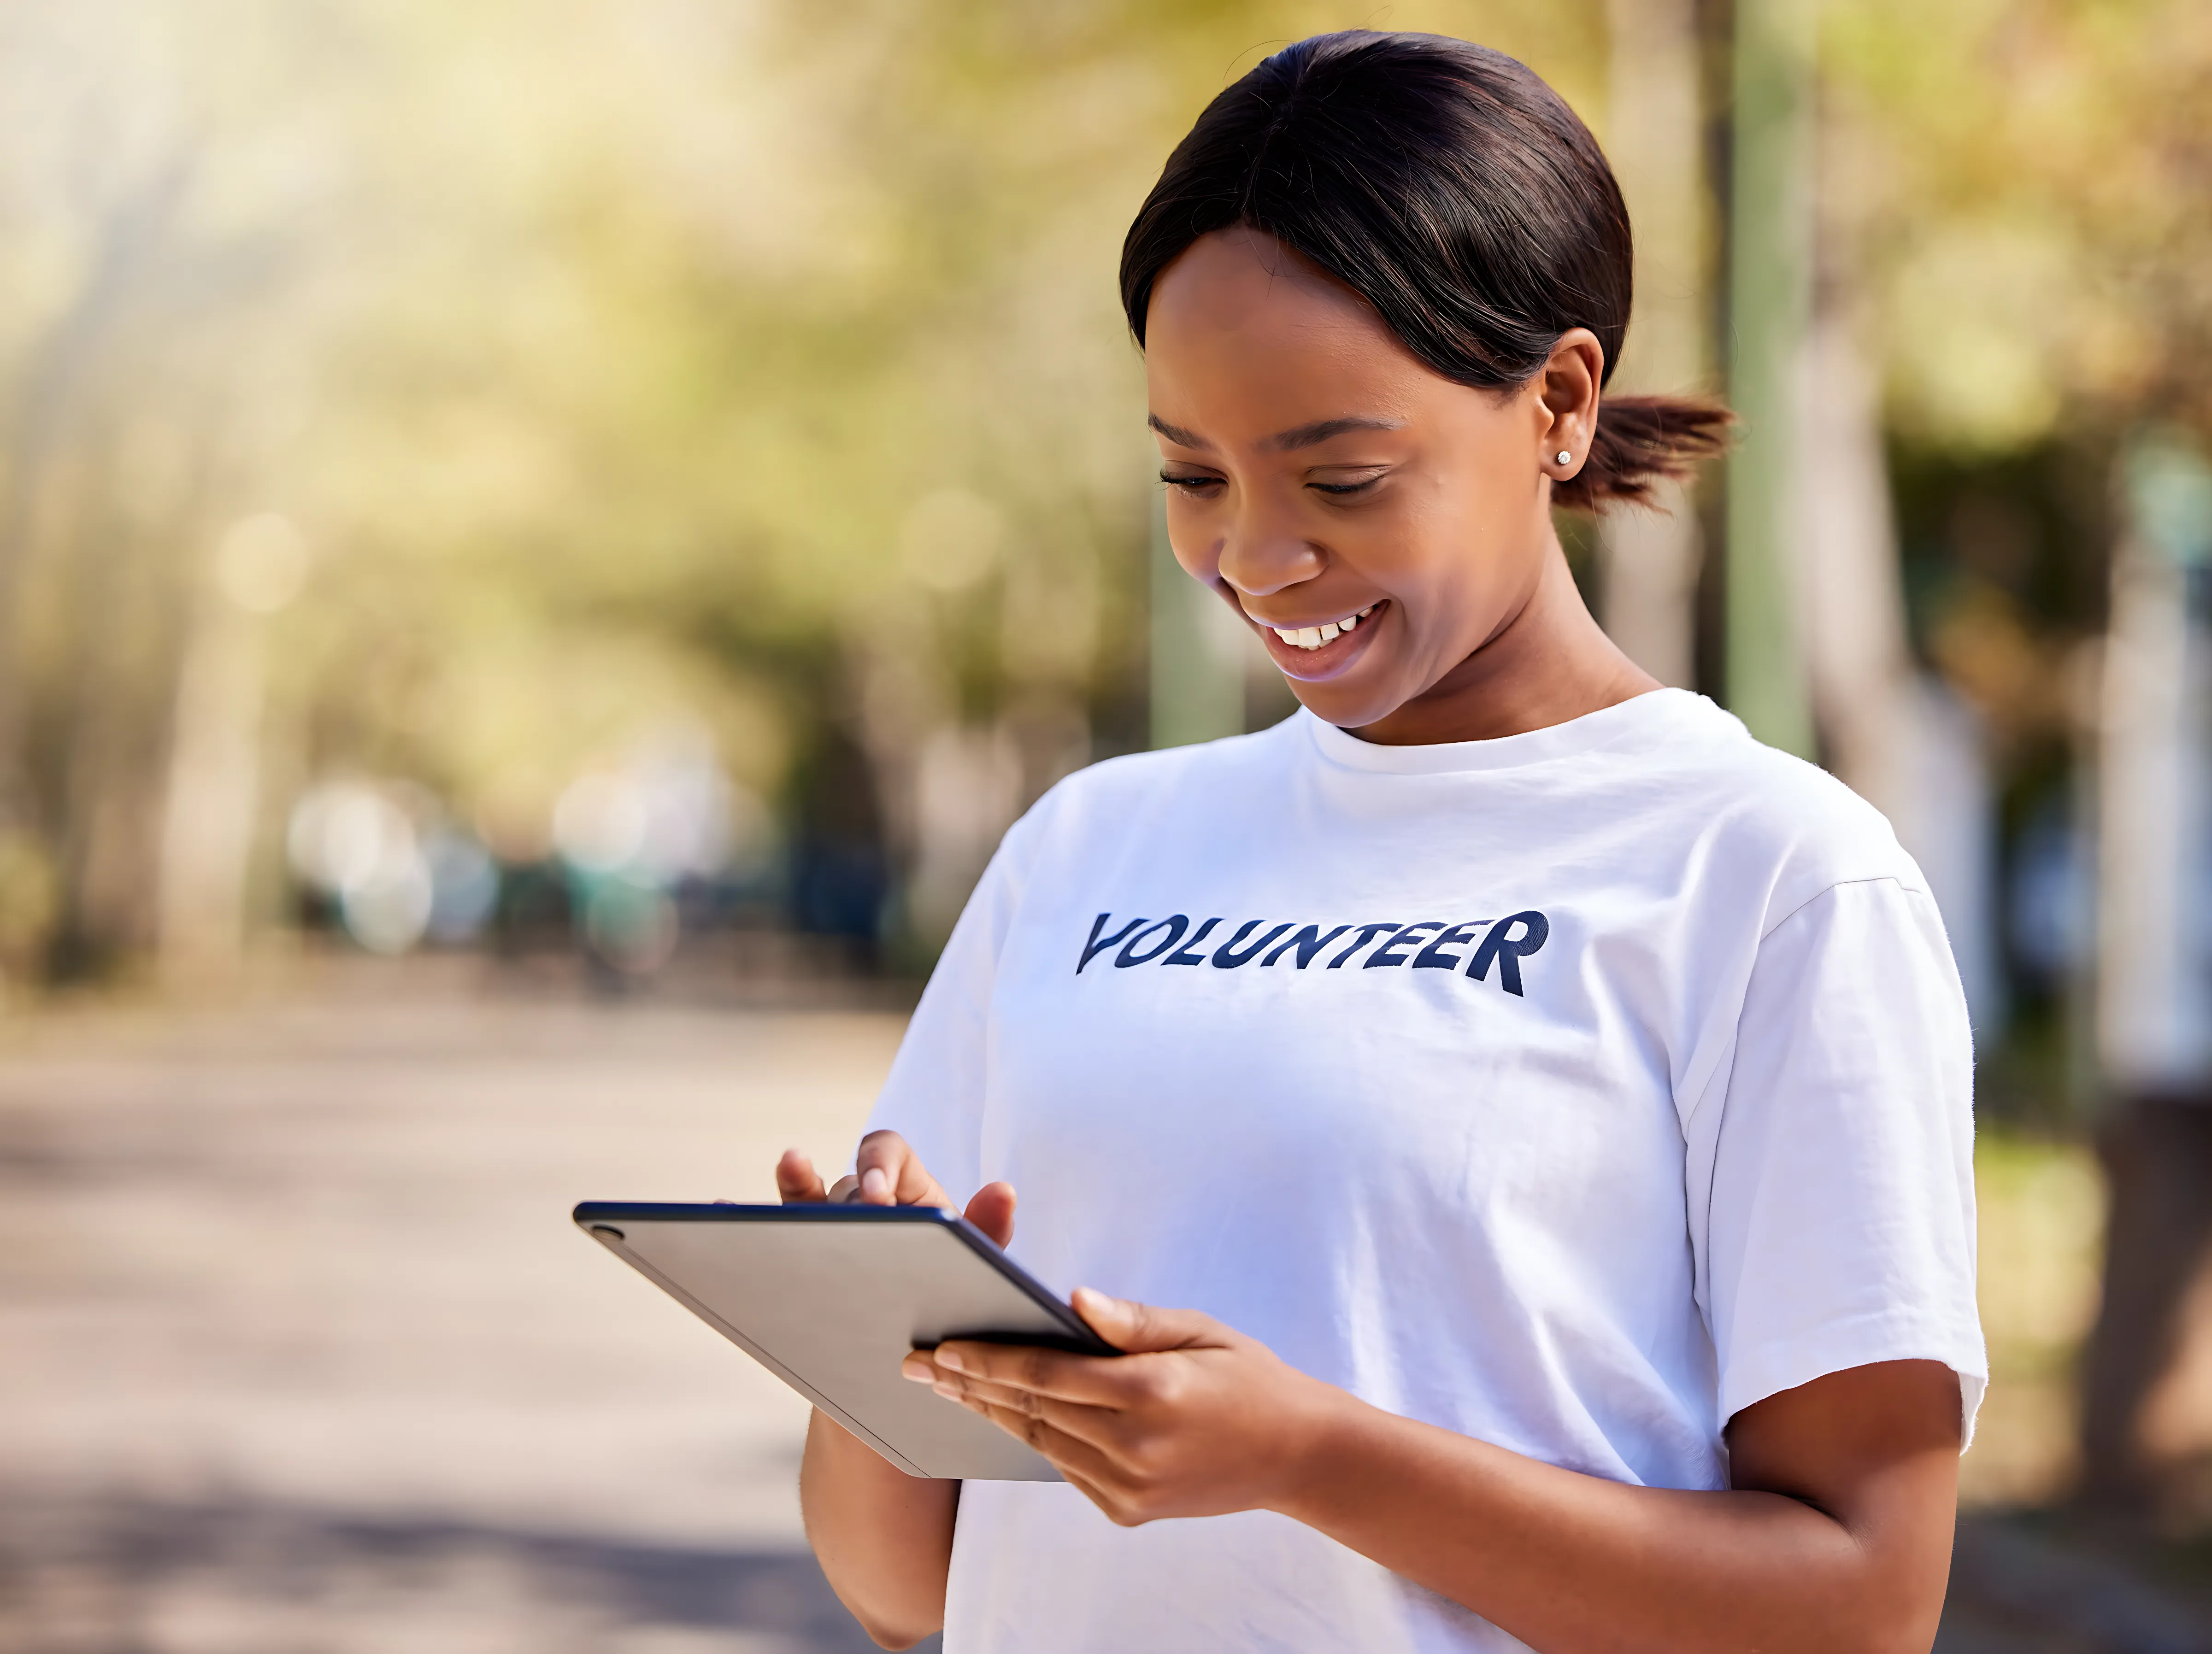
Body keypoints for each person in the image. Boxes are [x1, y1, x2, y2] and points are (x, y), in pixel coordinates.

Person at [775, 30, 1983, 1654]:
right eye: (1190, 475)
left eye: (1340, 474)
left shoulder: (1766, 878)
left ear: (1558, 401)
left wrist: (1307, 1457)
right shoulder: (1088, 852)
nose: (1255, 558)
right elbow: (905, 1582)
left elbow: (1862, 1607)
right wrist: (880, 1345)